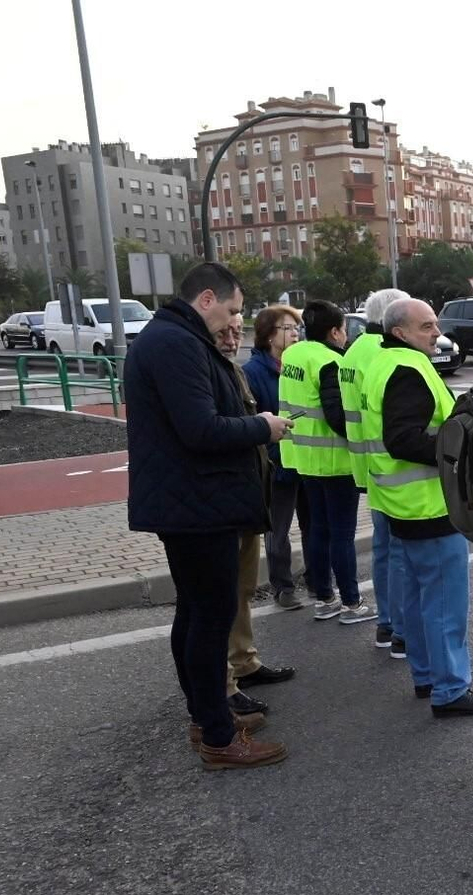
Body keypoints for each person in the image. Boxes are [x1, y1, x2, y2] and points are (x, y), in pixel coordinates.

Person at [124, 262, 290, 769]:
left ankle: (207, 716)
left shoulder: (173, 337)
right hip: (198, 504)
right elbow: (201, 430)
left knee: (196, 614)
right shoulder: (176, 344)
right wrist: (262, 426)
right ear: (207, 299)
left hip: (192, 501)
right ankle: (218, 736)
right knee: (209, 618)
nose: (233, 322)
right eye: (233, 311)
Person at [360, 298, 473, 717]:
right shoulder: (408, 370)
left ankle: (427, 677)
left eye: (435, 324)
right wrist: (458, 451)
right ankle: (451, 689)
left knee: (417, 600)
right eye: (427, 326)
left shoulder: (382, 362)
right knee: (444, 605)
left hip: (400, 503)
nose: (437, 332)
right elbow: (403, 438)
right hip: (428, 507)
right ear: (400, 332)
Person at [214, 316, 296, 709]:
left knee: (243, 588)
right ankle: (226, 683)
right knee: (222, 595)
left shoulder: (233, 370)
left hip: (249, 490)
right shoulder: (226, 371)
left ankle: (244, 663)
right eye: (224, 332)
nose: (232, 339)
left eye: (236, 331)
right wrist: (263, 426)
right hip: (226, 498)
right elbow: (212, 429)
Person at [279, 301, 376, 625]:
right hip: (335, 461)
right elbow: (337, 416)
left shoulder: (293, 354)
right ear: (335, 331)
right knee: (342, 534)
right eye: (344, 329)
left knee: (316, 530)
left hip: (304, 457)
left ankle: (323, 598)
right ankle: (351, 603)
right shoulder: (331, 361)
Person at [340, 288, 410, 659]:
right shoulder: (385, 354)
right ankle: (398, 629)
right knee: (398, 552)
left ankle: (386, 624)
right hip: (392, 467)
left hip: (364, 461)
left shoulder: (353, 352)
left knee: (383, 551)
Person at [243, 305, 309, 611]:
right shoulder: (253, 372)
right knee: (278, 529)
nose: (295, 333)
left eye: (297, 328)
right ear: (270, 335)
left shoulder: (299, 364)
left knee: (313, 523)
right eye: (288, 328)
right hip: (276, 461)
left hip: (307, 458)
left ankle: (316, 576)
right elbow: (253, 419)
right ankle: (283, 587)